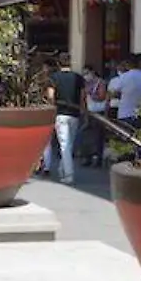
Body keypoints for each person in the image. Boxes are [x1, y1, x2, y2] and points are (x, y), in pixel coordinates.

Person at [41, 54, 86, 185]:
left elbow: (50, 97)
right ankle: (62, 169)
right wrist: (84, 112)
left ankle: (68, 174)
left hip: (60, 113)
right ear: (70, 63)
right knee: (69, 145)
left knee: (64, 145)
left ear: (59, 64)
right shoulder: (78, 78)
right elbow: (83, 97)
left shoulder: (53, 78)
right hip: (75, 113)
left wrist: (51, 109)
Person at [80, 64, 110, 168]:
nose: (85, 76)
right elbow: (83, 98)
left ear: (92, 72)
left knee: (98, 136)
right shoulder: (85, 84)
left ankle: (98, 158)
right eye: (83, 74)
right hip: (89, 112)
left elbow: (102, 97)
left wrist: (91, 93)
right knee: (87, 135)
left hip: (99, 112)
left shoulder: (100, 83)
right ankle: (87, 157)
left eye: (87, 73)